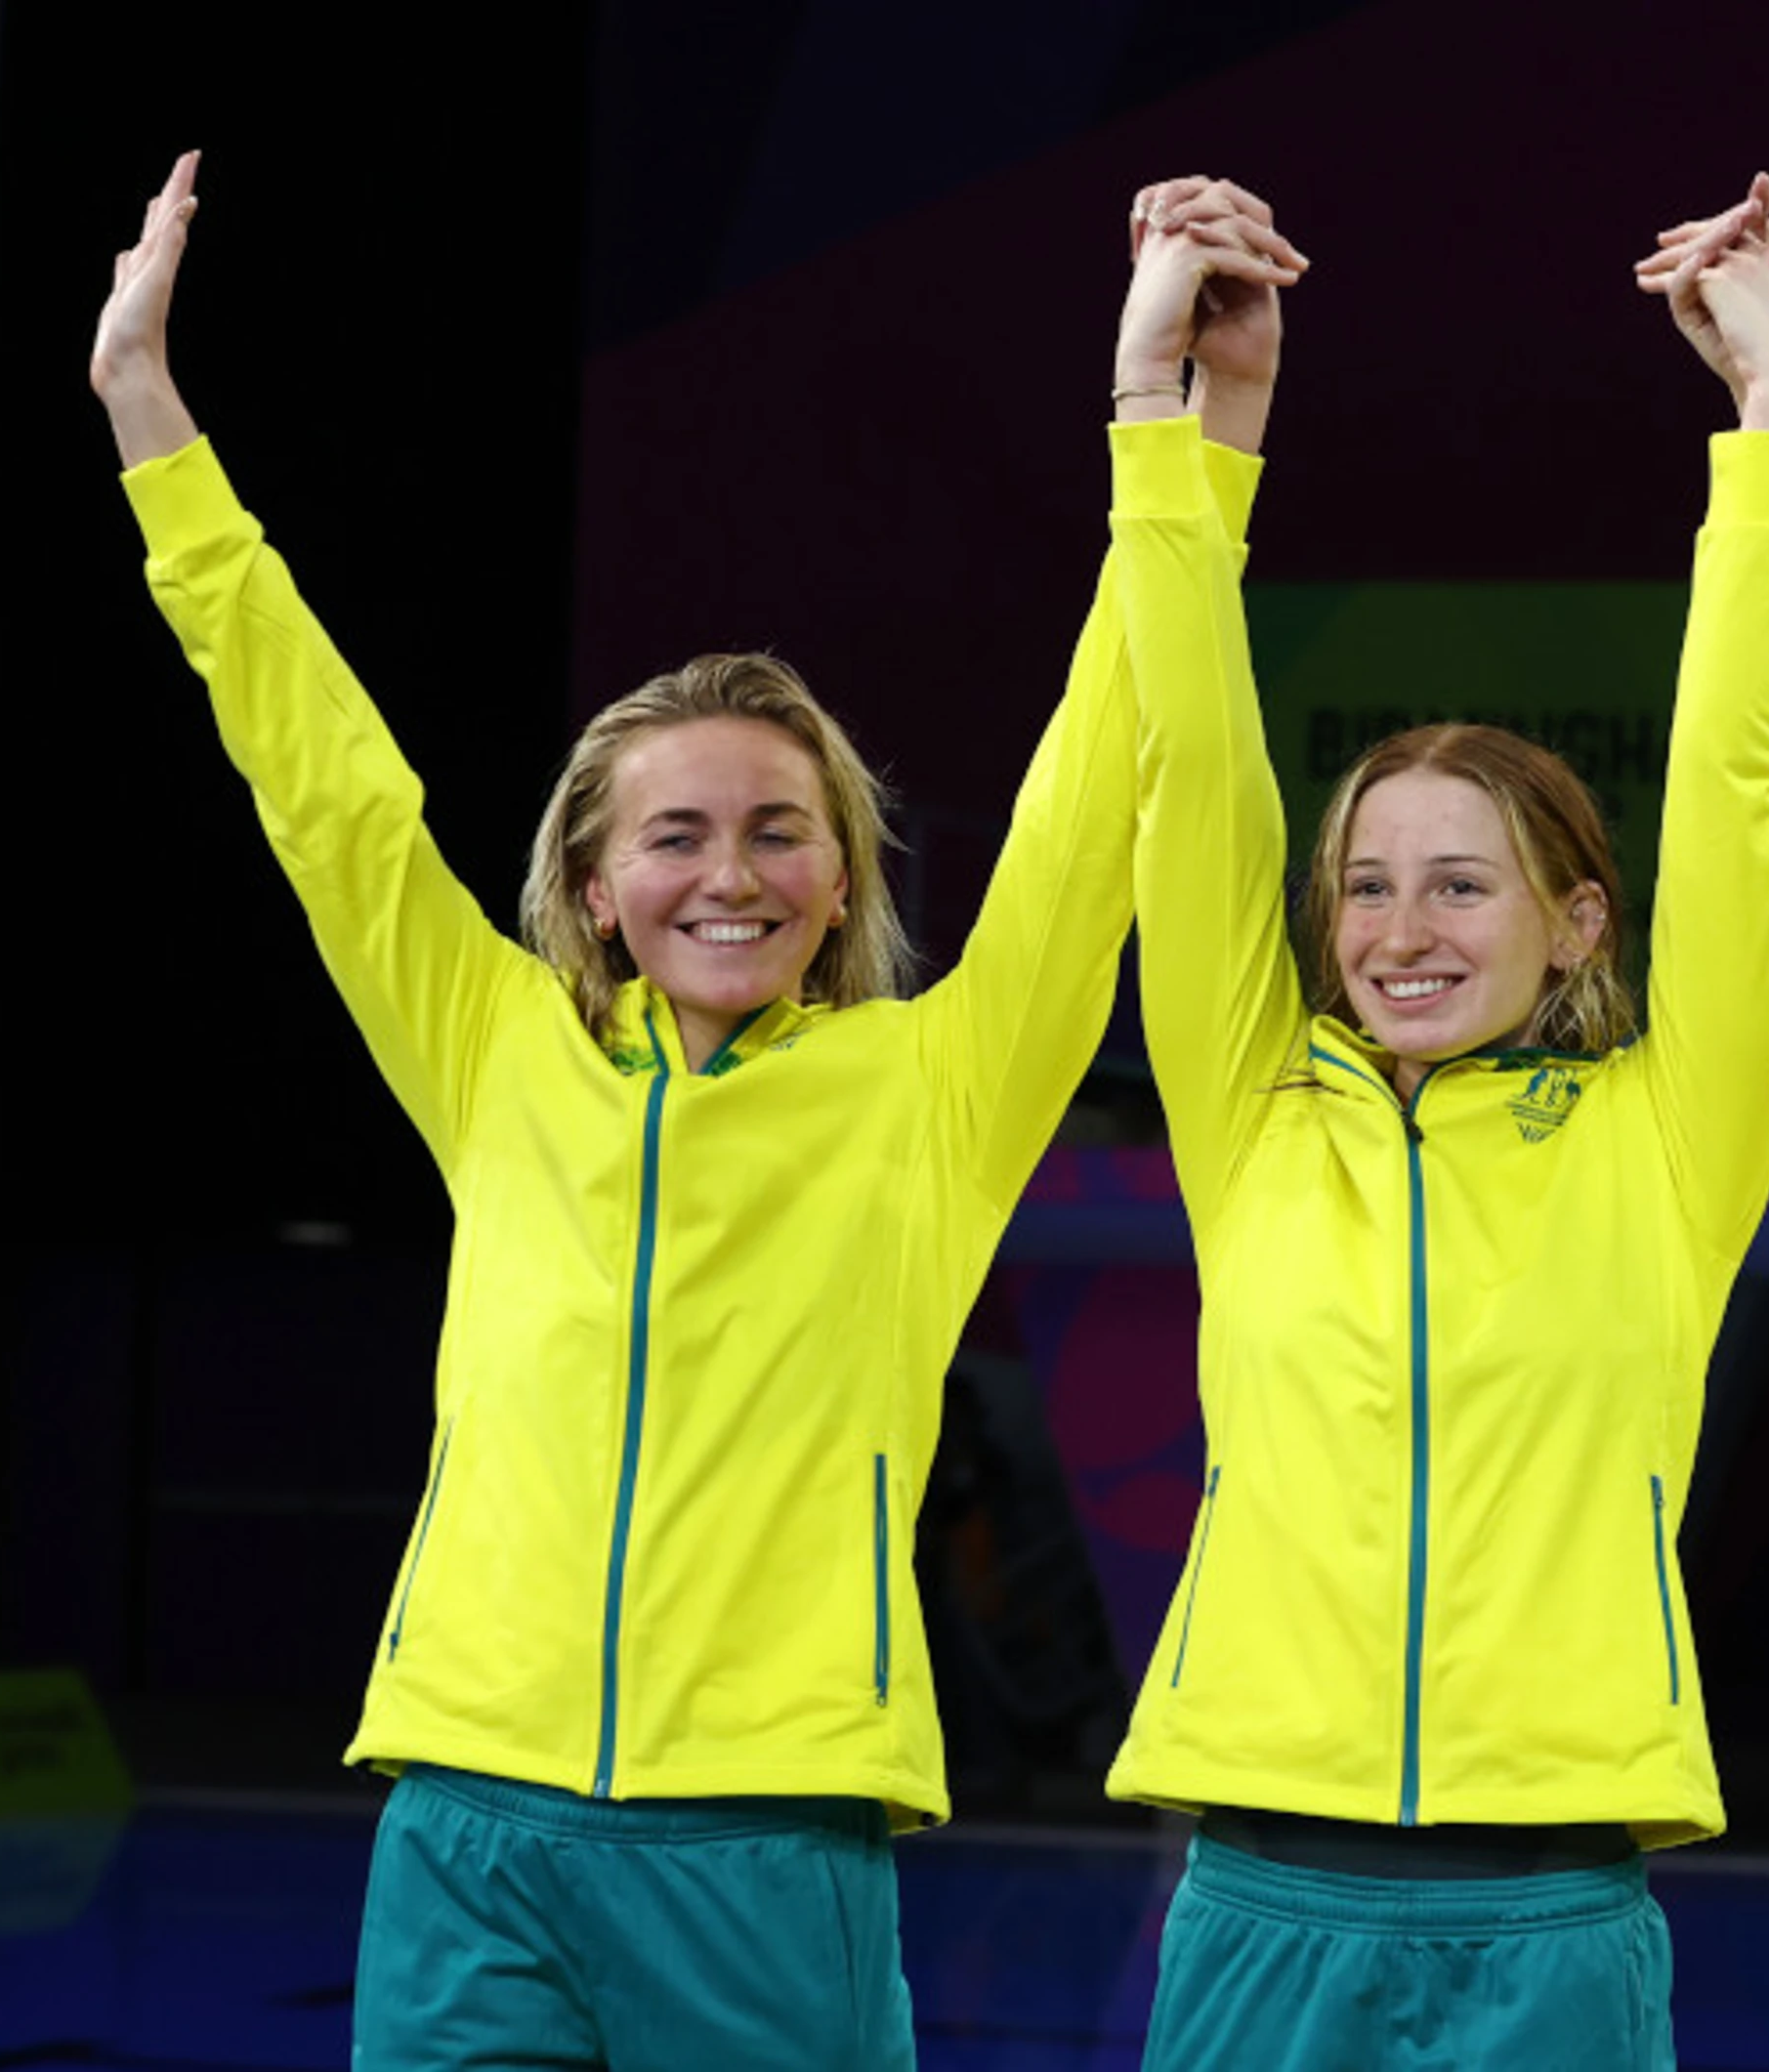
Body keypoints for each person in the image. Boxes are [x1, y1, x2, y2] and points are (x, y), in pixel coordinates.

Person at [87, 152, 1283, 2067]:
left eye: (777, 829)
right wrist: (151, 414)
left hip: (770, 1839)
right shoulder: (493, 1045)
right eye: (676, 833)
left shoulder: (934, 1087)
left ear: (839, 873)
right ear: (592, 876)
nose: (727, 873)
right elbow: (320, 779)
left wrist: (1182, 422)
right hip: (469, 1823)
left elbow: (1105, 774)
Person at [1102, 177, 1769, 2068]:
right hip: (1259, 1904)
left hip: (1558, 1928)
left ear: (1579, 919)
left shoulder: (1674, 1142)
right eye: (1364, 888)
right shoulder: (1251, 1111)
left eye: (1461, 887)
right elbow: (1183, 757)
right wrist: (1168, 415)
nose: (1400, 934)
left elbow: (1738, 784)